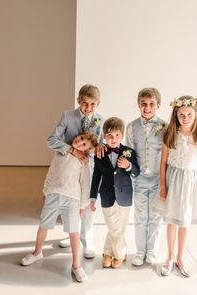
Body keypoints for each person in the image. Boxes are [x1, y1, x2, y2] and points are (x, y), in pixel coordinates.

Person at [20, 132, 99, 282]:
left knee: (73, 231)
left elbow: (85, 184)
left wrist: (82, 205)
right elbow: (51, 172)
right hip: (53, 194)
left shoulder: (84, 161)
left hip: (72, 199)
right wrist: (46, 190)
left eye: (84, 145)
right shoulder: (60, 152)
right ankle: (37, 252)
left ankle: (76, 265)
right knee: (43, 225)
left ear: (87, 151)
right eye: (81, 138)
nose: (79, 142)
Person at [47, 84, 105, 258]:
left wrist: (99, 147)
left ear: (98, 104)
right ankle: (72, 233)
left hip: (89, 168)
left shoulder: (100, 120)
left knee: (86, 202)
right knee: (72, 201)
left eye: (92, 104)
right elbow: (51, 140)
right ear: (78, 100)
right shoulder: (67, 116)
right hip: (69, 168)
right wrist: (73, 150)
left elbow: (101, 145)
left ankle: (88, 239)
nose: (88, 108)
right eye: (85, 103)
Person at [159, 96, 197, 277]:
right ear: (176, 115)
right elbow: (163, 163)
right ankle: (169, 257)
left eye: (188, 115)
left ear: (195, 115)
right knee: (172, 221)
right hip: (174, 180)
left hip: (191, 183)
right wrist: (163, 187)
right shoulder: (170, 135)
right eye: (181, 115)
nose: (185, 118)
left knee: (185, 221)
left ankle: (180, 257)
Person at [90, 117, 140, 268]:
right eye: (110, 136)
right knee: (115, 227)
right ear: (104, 136)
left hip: (125, 195)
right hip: (107, 195)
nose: (113, 139)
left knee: (119, 227)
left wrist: (128, 165)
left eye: (117, 135)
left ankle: (107, 253)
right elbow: (96, 176)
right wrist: (92, 198)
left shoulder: (129, 152)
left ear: (122, 135)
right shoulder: (100, 154)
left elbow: (136, 172)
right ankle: (120, 254)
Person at [125, 87, 166, 266]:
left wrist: (165, 180)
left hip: (158, 179)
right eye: (144, 104)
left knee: (156, 216)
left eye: (151, 104)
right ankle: (140, 250)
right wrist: (132, 174)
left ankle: (152, 251)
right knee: (141, 215)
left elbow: (167, 154)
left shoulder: (164, 126)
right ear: (138, 104)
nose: (147, 107)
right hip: (140, 178)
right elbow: (129, 152)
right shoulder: (131, 126)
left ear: (158, 105)